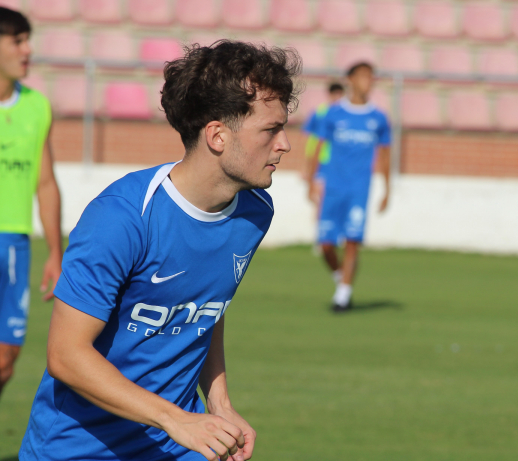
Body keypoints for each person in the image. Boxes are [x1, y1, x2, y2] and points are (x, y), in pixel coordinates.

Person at [19, 40, 299, 461]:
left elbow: (206, 308)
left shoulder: (255, 211)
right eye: (270, 129)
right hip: (78, 447)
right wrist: (176, 419)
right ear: (218, 135)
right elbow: (66, 355)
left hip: (176, 444)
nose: (284, 144)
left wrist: (218, 403)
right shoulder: (122, 217)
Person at [0, 7, 62, 400]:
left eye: (28, 40)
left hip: (14, 245)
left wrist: (56, 252)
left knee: (7, 357)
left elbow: (45, 182)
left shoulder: (37, 106)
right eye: (17, 41)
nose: (28, 50)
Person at [307, 62, 391, 312]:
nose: (369, 81)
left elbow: (385, 154)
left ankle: (343, 295)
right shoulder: (333, 114)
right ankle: (340, 276)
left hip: (359, 188)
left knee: (352, 240)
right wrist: (311, 181)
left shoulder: (378, 118)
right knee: (325, 244)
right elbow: (317, 147)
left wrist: (387, 189)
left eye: (371, 77)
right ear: (351, 80)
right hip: (333, 187)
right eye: (364, 76)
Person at [302, 82, 344, 208]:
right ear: (329, 95)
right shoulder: (319, 112)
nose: (337, 98)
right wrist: (306, 165)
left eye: (340, 94)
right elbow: (310, 139)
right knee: (319, 195)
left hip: (338, 161)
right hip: (321, 160)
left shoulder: (345, 114)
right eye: (335, 94)